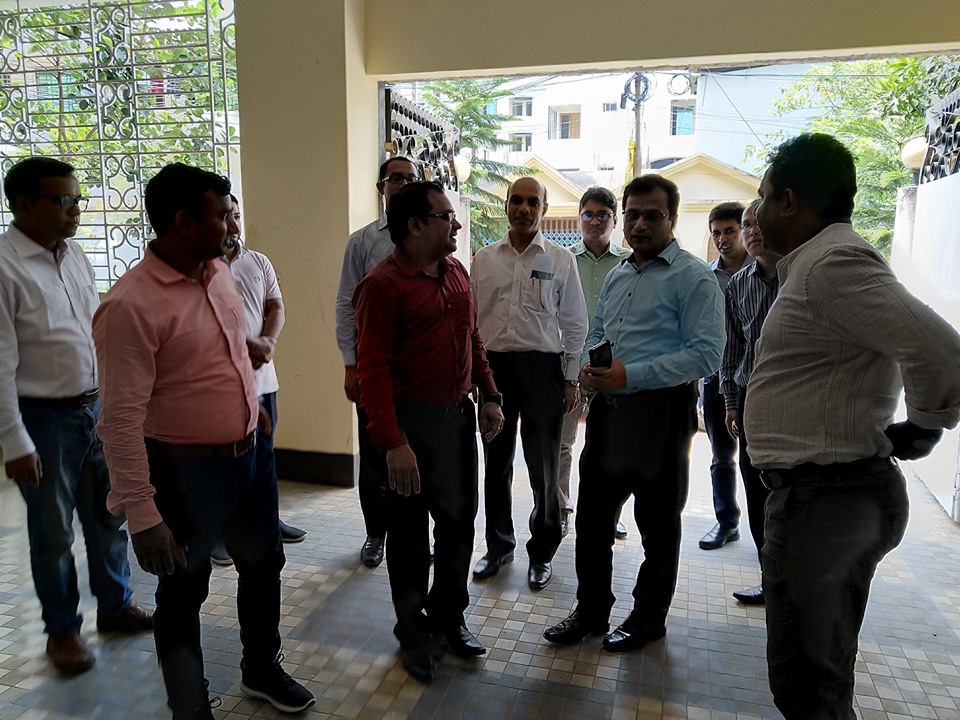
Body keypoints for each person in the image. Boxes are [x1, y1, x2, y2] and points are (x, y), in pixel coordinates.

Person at [746, 133, 960, 719]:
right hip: (821, 499)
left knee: (810, 688)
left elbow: (942, 353)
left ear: (790, 201)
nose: (757, 212)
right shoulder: (815, 264)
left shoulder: (832, 265)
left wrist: (924, 427)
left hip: (829, 502)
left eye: (763, 196)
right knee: (812, 680)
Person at [93, 163, 314, 719]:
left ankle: (261, 669)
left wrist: (250, 414)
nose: (233, 225)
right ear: (184, 222)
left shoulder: (216, 270)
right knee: (183, 592)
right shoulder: (130, 307)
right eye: (221, 216)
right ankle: (190, 708)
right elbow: (118, 421)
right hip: (184, 475)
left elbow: (231, 347)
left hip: (249, 456)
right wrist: (143, 515)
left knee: (263, 564)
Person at [543, 174, 724, 652]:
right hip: (609, 416)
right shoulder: (620, 273)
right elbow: (598, 329)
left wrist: (631, 374)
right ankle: (590, 611)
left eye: (652, 215)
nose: (640, 224)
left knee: (658, 528)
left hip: (661, 418)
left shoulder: (694, 277)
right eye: (633, 215)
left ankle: (648, 619)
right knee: (592, 523)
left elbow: (707, 354)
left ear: (672, 219)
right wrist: (589, 366)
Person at [0, 157, 151, 675]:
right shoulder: (5, 267)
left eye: (77, 199)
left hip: (95, 407)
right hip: (43, 421)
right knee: (53, 532)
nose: (76, 210)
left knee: (109, 514)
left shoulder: (75, 255)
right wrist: (14, 441)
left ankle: (115, 605)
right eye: (64, 200)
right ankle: (63, 631)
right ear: (24, 205)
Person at [353, 181, 504, 684]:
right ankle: (412, 629)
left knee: (459, 526)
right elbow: (372, 371)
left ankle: (448, 617)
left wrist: (489, 394)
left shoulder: (456, 271)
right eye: (445, 216)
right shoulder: (381, 285)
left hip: (456, 423)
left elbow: (472, 337)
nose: (456, 223)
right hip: (408, 430)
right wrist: (393, 442)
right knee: (410, 537)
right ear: (415, 226)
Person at [471, 176, 588, 591]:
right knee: (496, 464)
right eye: (516, 200)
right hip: (495, 373)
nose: (523, 209)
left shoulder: (560, 259)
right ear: (506, 205)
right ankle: (499, 546)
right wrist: (476, 376)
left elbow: (575, 324)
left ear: (543, 208)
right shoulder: (484, 259)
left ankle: (542, 552)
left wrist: (571, 378)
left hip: (543, 371)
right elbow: (470, 322)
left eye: (532, 202)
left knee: (544, 468)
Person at [210, 194, 306, 566]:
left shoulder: (258, 261)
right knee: (225, 462)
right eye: (225, 216)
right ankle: (221, 533)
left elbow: (275, 306)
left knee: (264, 456)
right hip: (223, 384)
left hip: (263, 381)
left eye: (237, 215)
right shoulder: (202, 268)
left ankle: (269, 520)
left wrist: (268, 341)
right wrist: (243, 347)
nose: (234, 224)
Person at [336, 156, 420, 568]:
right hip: (375, 370)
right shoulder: (363, 242)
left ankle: (415, 533)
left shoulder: (427, 235)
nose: (403, 183)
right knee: (374, 455)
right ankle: (375, 533)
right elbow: (345, 303)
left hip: (418, 373)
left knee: (417, 453)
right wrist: (350, 363)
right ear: (381, 187)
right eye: (395, 177)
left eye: (410, 178)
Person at [559, 187, 631, 539]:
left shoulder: (631, 262)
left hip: (612, 370)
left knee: (612, 445)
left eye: (603, 214)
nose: (595, 221)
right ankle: (560, 507)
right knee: (562, 443)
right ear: (579, 218)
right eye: (588, 214)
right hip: (569, 366)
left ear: (614, 220)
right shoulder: (563, 260)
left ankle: (610, 514)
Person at [718, 200, 778, 605]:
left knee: (788, 499)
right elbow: (733, 349)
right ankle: (769, 578)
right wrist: (731, 402)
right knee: (756, 494)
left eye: (758, 223)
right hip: (751, 401)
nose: (751, 231)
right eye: (746, 224)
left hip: (794, 404)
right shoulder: (739, 284)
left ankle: (793, 583)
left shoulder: (803, 277)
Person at [698, 201, 750, 551]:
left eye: (729, 231)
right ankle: (727, 522)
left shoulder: (765, 271)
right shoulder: (706, 276)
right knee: (722, 456)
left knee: (757, 458)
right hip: (716, 378)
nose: (722, 239)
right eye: (716, 233)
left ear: (744, 231)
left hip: (755, 378)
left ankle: (768, 529)